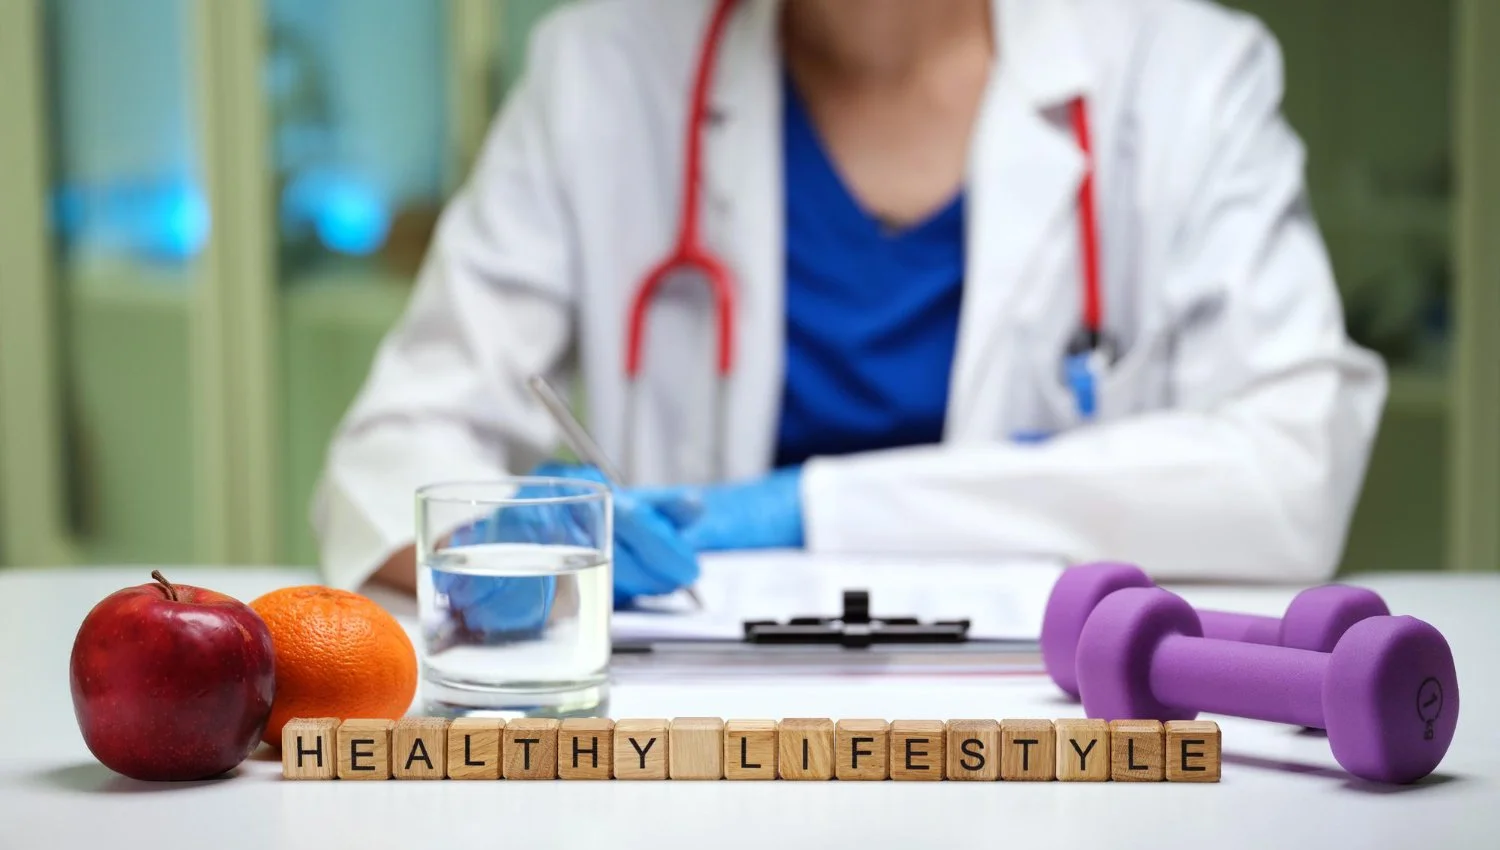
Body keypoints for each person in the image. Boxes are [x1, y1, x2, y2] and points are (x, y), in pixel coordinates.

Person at [311, 0, 1388, 606]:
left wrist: (797, 513)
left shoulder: (1186, 74)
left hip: (1058, 736)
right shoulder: (600, 69)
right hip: (695, 741)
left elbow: (1292, 468)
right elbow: (389, 448)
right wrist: (491, 544)